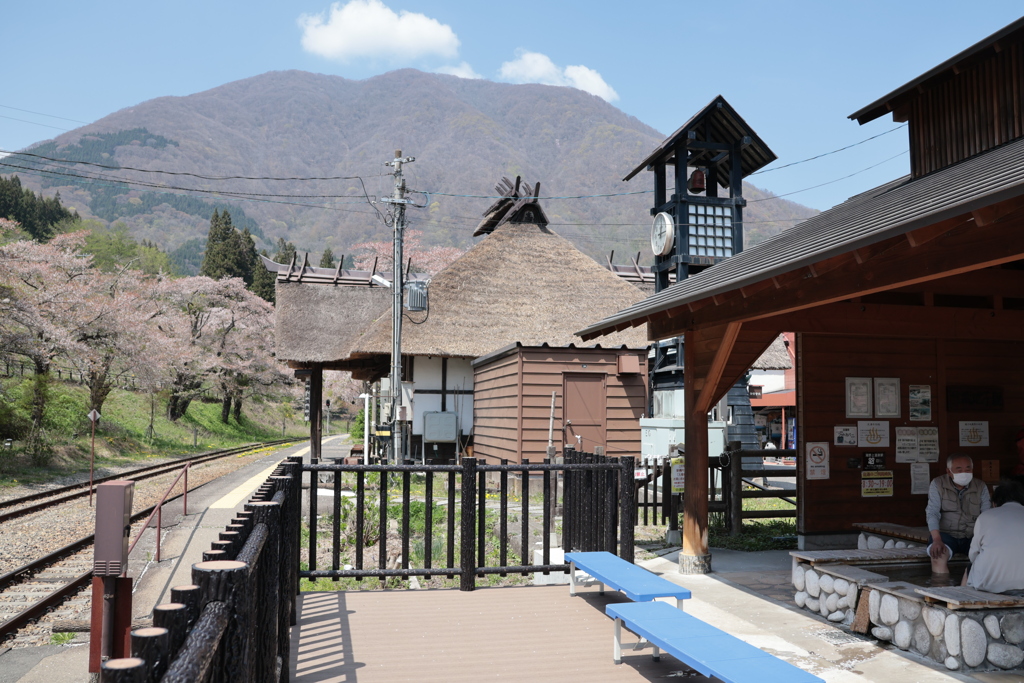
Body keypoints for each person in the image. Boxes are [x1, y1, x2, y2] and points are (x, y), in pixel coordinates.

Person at [926, 453, 991, 575]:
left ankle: (974, 588)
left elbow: (986, 515)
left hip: (973, 536)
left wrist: (985, 539)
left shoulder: (981, 486)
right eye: (959, 469)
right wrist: (936, 539)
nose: (964, 472)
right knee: (937, 557)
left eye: (968, 469)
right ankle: (942, 590)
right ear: (949, 471)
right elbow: (932, 513)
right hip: (947, 535)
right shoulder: (938, 484)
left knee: (988, 557)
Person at [965, 480, 1024, 594]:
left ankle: (963, 603)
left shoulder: (985, 517)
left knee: (969, 568)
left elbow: (973, 555)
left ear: (994, 503)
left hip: (992, 585)